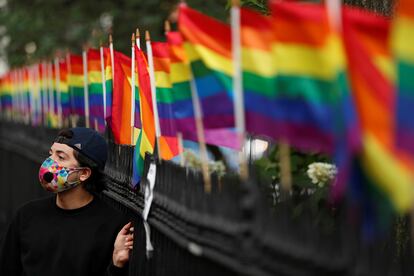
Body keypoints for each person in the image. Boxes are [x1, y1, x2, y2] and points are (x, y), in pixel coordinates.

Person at [0, 127, 134, 275]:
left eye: (61, 157)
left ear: (84, 173)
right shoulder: (27, 216)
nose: (49, 162)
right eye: (51, 154)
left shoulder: (112, 225)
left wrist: (117, 266)